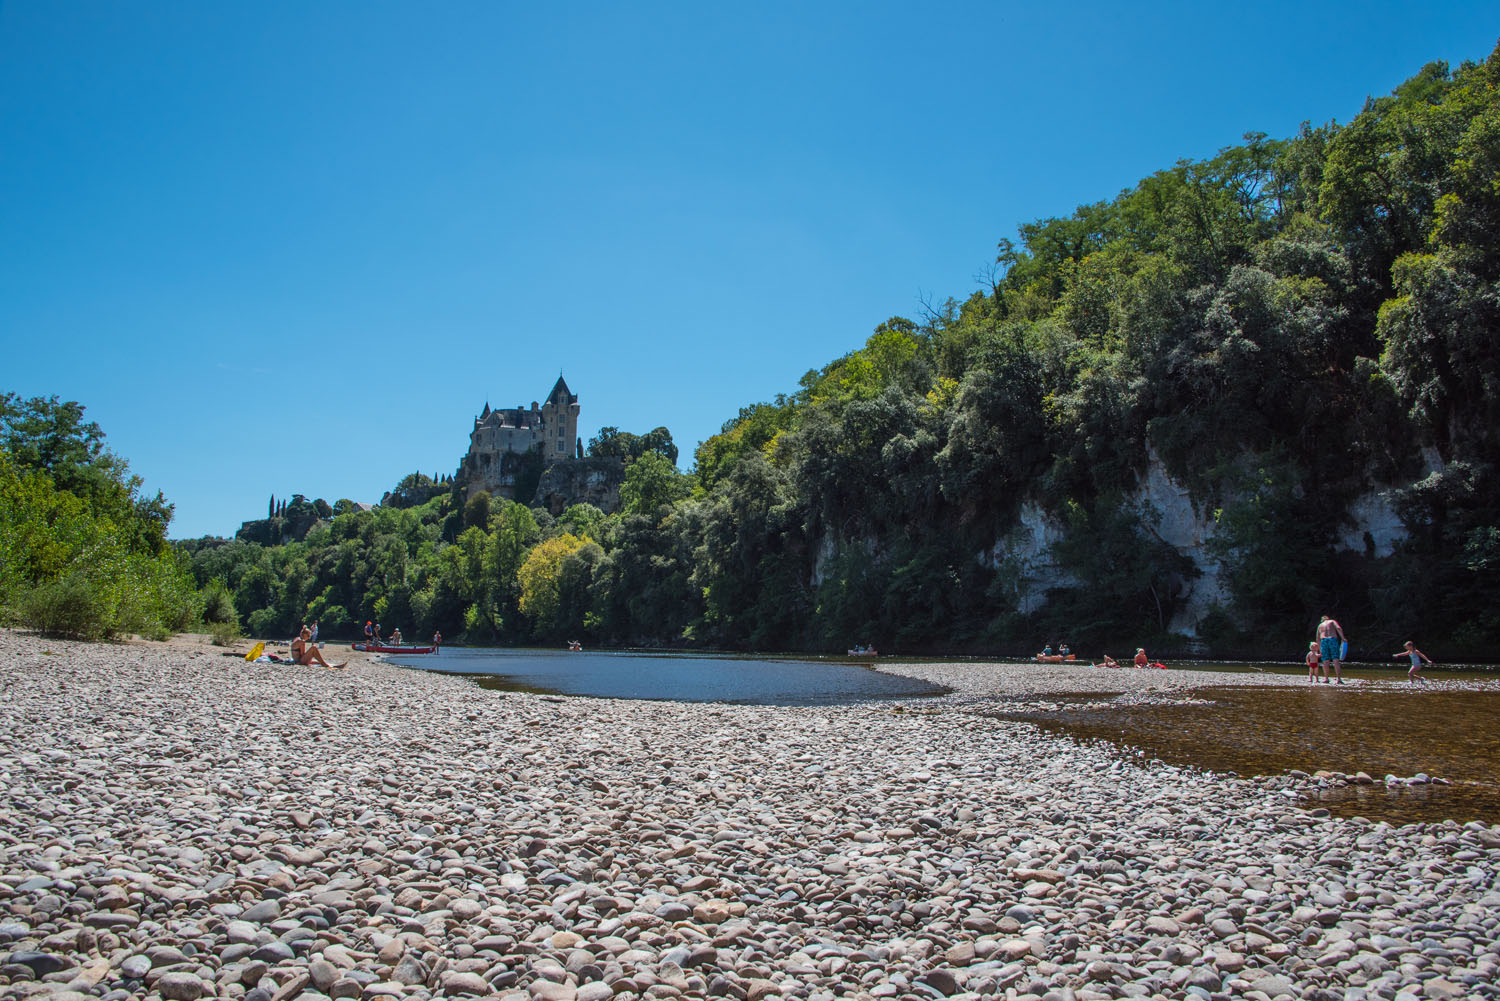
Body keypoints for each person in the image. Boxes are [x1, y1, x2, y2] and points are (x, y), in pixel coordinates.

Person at [1317, 615, 1347, 684]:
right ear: (1327, 618)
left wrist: (1319, 649)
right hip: (1332, 640)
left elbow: (1317, 638)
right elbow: (1338, 628)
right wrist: (1342, 638)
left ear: (1322, 620)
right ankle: (1339, 679)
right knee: (1335, 659)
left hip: (1323, 641)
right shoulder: (1332, 621)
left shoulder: (1320, 625)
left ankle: (1326, 679)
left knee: (1325, 661)